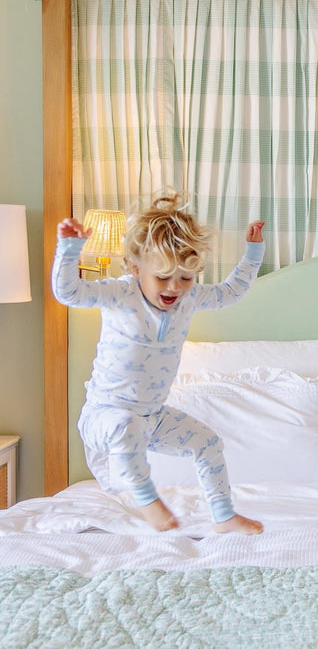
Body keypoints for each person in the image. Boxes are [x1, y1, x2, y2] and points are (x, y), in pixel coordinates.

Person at [52, 192, 265, 535]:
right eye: (163, 277)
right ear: (136, 268)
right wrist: (69, 249)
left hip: (152, 418)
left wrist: (253, 252)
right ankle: (146, 501)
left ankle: (224, 516)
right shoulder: (120, 293)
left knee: (208, 443)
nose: (175, 287)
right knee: (125, 426)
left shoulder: (189, 299)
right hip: (105, 414)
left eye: (186, 277)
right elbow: (69, 293)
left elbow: (231, 292)